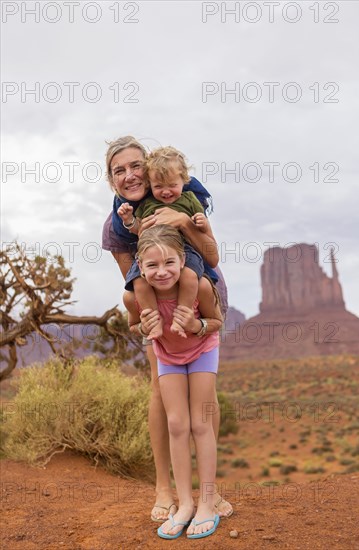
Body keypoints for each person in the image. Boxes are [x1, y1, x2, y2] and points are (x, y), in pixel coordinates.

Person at [101, 135, 233, 521]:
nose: (129, 175)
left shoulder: (180, 195)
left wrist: (181, 222)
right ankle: (166, 488)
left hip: (202, 293)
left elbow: (210, 253)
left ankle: (209, 488)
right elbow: (134, 278)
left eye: (134, 166)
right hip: (157, 304)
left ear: (150, 166)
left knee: (205, 396)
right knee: (162, 388)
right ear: (111, 181)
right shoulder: (117, 224)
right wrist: (142, 318)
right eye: (118, 171)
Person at [124, 224, 221, 539]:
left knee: (200, 424)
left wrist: (196, 323)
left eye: (169, 263)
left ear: (183, 260)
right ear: (140, 265)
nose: (162, 272)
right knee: (177, 424)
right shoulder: (134, 296)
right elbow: (133, 324)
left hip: (202, 350)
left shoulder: (200, 287)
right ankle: (185, 505)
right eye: (152, 265)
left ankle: (207, 501)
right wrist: (143, 327)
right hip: (168, 356)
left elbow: (217, 322)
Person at [117, 146, 213, 340]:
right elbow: (139, 228)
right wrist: (129, 221)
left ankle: (182, 315)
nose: (166, 191)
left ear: (183, 181)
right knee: (138, 282)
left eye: (172, 185)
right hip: (151, 251)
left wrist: (198, 223)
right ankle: (154, 323)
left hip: (183, 249)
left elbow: (202, 225)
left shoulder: (190, 199)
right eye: (159, 187)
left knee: (188, 275)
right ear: (150, 185)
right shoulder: (148, 204)